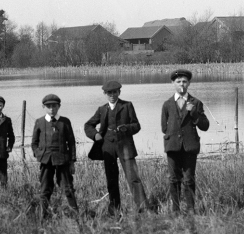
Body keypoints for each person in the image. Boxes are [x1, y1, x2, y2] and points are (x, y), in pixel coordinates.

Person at [84, 81, 148, 215]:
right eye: (109, 93)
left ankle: (143, 209)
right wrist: (95, 135)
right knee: (111, 179)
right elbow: (88, 125)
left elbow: (136, 125)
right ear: (105, 94)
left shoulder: (127, 106)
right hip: (108, 148)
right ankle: (114, 210)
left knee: (133, 178)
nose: (112, 95)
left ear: (119, 92)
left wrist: (127, 128)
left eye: (115, 92)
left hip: (125, 146)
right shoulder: (102, 109)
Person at [161, 69, 209, 213]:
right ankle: (175, 211)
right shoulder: (167, 104)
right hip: (173, 146)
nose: (182, 84)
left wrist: (194, 113)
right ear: (173, 83)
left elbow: (205, 126)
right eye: (178, 82)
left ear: (189, 83)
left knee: (189, 179)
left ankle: (191, 210)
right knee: (174, 179)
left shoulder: (196, 103)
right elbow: (164, 127)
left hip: (190, 147)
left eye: (184, 81)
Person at [31, 94, 79, 217]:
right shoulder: (40, 122)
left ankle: (75, 216)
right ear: (43, 107)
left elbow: (71, 142)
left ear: (59, 106)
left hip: (63, 160)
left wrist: (72, 161)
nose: (51, 109)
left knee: (68, 188)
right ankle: (43, 216)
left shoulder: (65, 122)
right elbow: (34, 142)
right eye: (48, 106)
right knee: (45, 189)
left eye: (54, 106)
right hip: (46, 161)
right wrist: (39, 154)